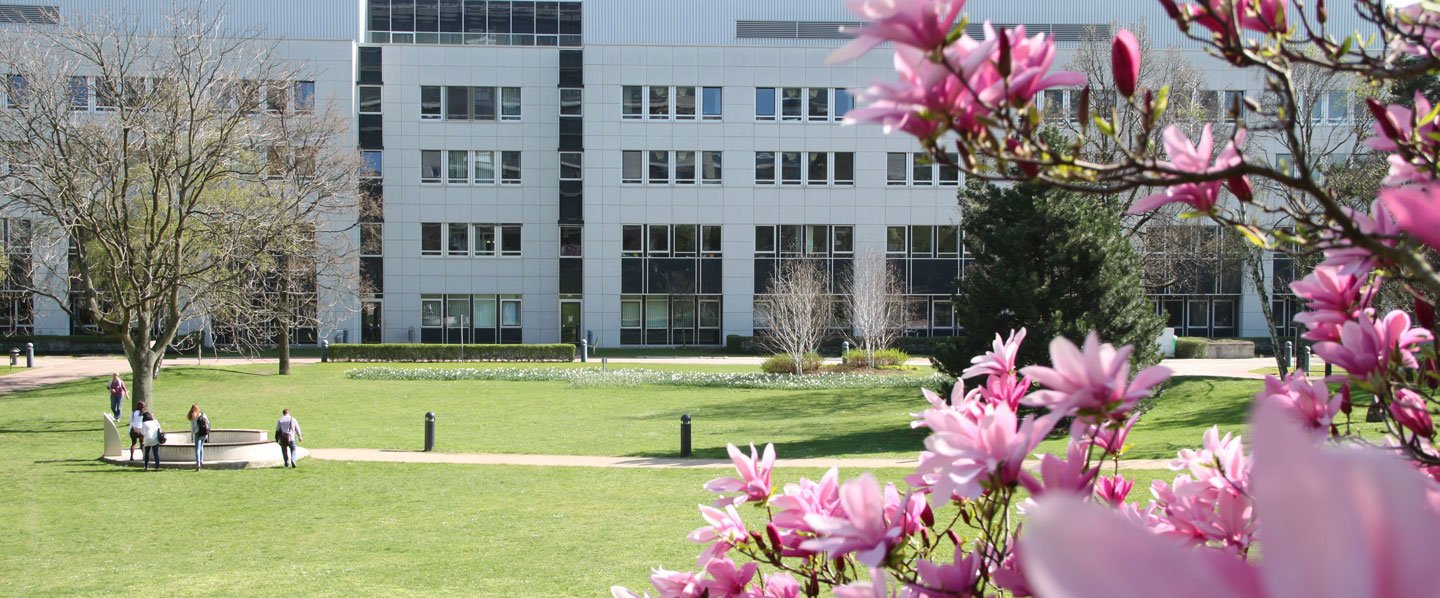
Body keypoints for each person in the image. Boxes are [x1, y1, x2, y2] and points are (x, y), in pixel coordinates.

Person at [187, 404, 209, 471]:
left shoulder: (192, 417)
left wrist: (191, 436)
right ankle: (201, 461)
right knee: (201, 446)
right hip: (204, 433)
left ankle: (198, 464)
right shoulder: (202, 414)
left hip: (198, 434)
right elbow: (207, 423)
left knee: (197, 449)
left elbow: (192, 428)